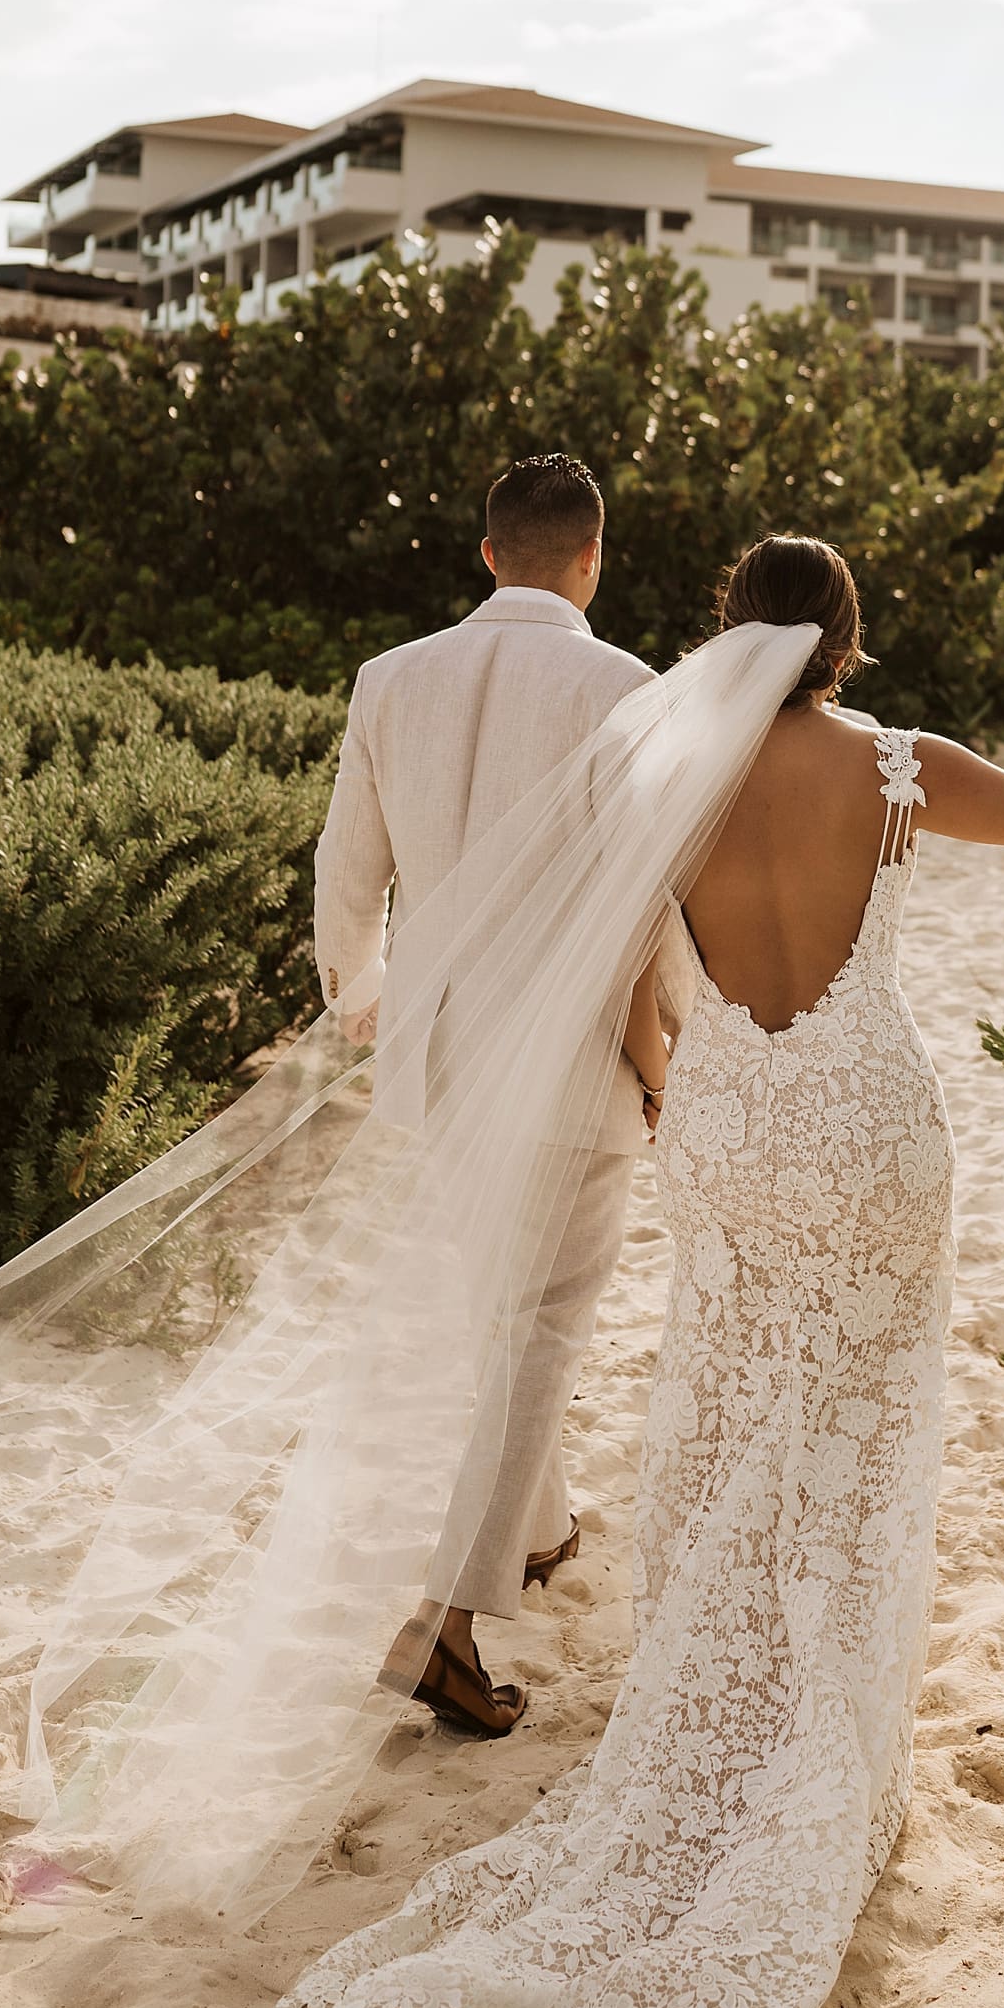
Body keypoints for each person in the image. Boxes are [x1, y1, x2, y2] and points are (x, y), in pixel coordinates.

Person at [255, 534, 1004, 2008]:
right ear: (846, 644)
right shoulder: (890, 764)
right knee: (857, 1434)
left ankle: (720, 1711)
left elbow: (620, 979)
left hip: (733, 1125)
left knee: (728, 1405)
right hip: (872, 1122)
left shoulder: (661, 775)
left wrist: (678, 1087)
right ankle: (824, 1735)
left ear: (726, 635)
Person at [314, 450, 655, 1736]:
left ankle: (544, 1526)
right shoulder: (625, 688)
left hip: (441, 1055)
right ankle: (447, 1624)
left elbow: (348, 873)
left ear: (488, 555)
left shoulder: (388, 680)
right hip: (570, 1054)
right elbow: (647, 898)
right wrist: (672, 1045)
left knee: (502, 1307)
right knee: (543, 1326)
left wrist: (362, 995)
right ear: (593, 558)